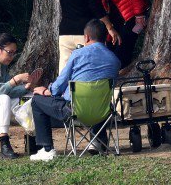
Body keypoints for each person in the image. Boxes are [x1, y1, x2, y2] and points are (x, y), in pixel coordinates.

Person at [26, 20, 123, 162]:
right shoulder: (115, 60)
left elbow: (61, 83)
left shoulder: (77, 54)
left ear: (87, 37)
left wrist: (48, 90)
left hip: (75, 111)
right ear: (105, 37)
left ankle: (46, 150)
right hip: (103, 112)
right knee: (97, 98)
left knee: (37, 101)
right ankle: (98, 143)